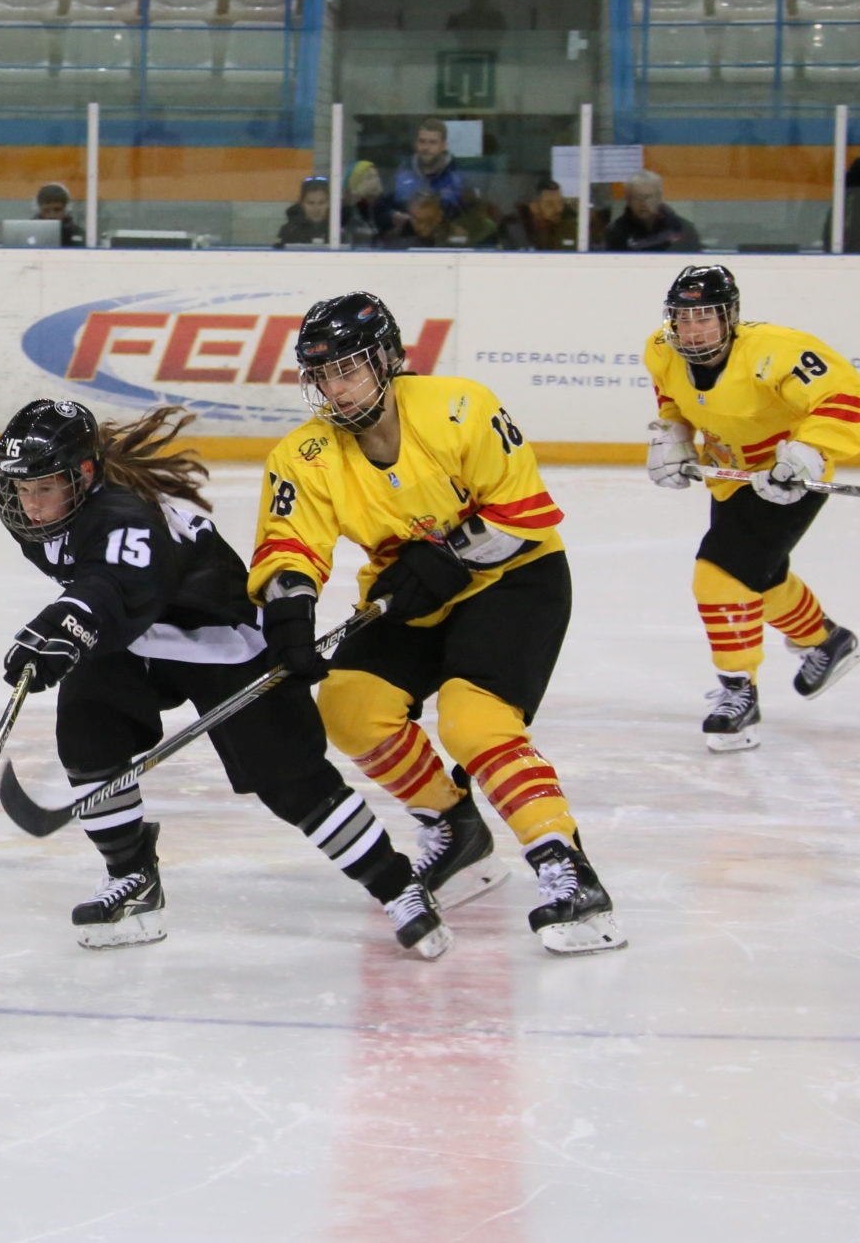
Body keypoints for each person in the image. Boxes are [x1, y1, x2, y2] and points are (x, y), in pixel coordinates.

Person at [0, 400, 451, 958]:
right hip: (128, 634)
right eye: (19, 490)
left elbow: (112, 587)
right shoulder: (27, 488)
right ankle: (133, 878)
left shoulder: (124, 516)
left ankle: (398, 886)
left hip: (216, 636)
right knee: (87, 732)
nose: (30, 506)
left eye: (44, 490)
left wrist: (64, 626)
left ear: (85, 475)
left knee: (290, 780)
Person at [249, 292, 625, 956]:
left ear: (390, 358)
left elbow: (521, 515)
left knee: (472, 721)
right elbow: (291, 547)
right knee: (349, 706)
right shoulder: (303, 455)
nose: (339, 388)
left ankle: (568, 869)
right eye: (325, 375)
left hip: (515, 580)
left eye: (352, 367)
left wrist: (448, 557)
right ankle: (456, 830)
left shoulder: (460, 407)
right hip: (409, 593)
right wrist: (288, 616)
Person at [643, 265, 860, 752]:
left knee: (719, 576)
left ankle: (738, 692)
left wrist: (806, 453)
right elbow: (674, 401)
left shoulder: (777, 351)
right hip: (733, 476)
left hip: (790, 477)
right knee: (759, 575)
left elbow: (846, 399)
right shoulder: (660, 351)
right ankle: (825, 640)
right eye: (683, 319)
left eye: (705, 318)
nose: (693, 330)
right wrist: (675, 438)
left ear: (730, 317)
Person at [603, 169, 701, 253]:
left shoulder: (683, 229)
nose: (643, 203)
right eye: (637, 197)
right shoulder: (616, 232)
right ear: (628, 199)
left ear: (659, 197)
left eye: (648, 197)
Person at [499, 176, 581, 251]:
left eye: (561, 202)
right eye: (550, 204)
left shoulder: (568, 224)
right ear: (533, 207)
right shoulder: (514, 227)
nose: (559, 209)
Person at [273, 176, 331, 248]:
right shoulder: (288, 231)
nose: (316, 209)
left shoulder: (336, 231)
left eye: (321, 203)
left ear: (328, 203)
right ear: (302, 203)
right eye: (311, 203)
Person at [339, 159, 386, 249]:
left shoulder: (380, 208)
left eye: (376, 176)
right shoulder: (347, 214)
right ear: (355, 184)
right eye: (369, 178)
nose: (375, 181)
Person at [34, 183, 86, 248]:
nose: (52, 216)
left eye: (57, 210)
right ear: (39, 211)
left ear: (67, 210)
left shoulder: (78, 234)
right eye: (46, 210)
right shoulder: (28, 232)